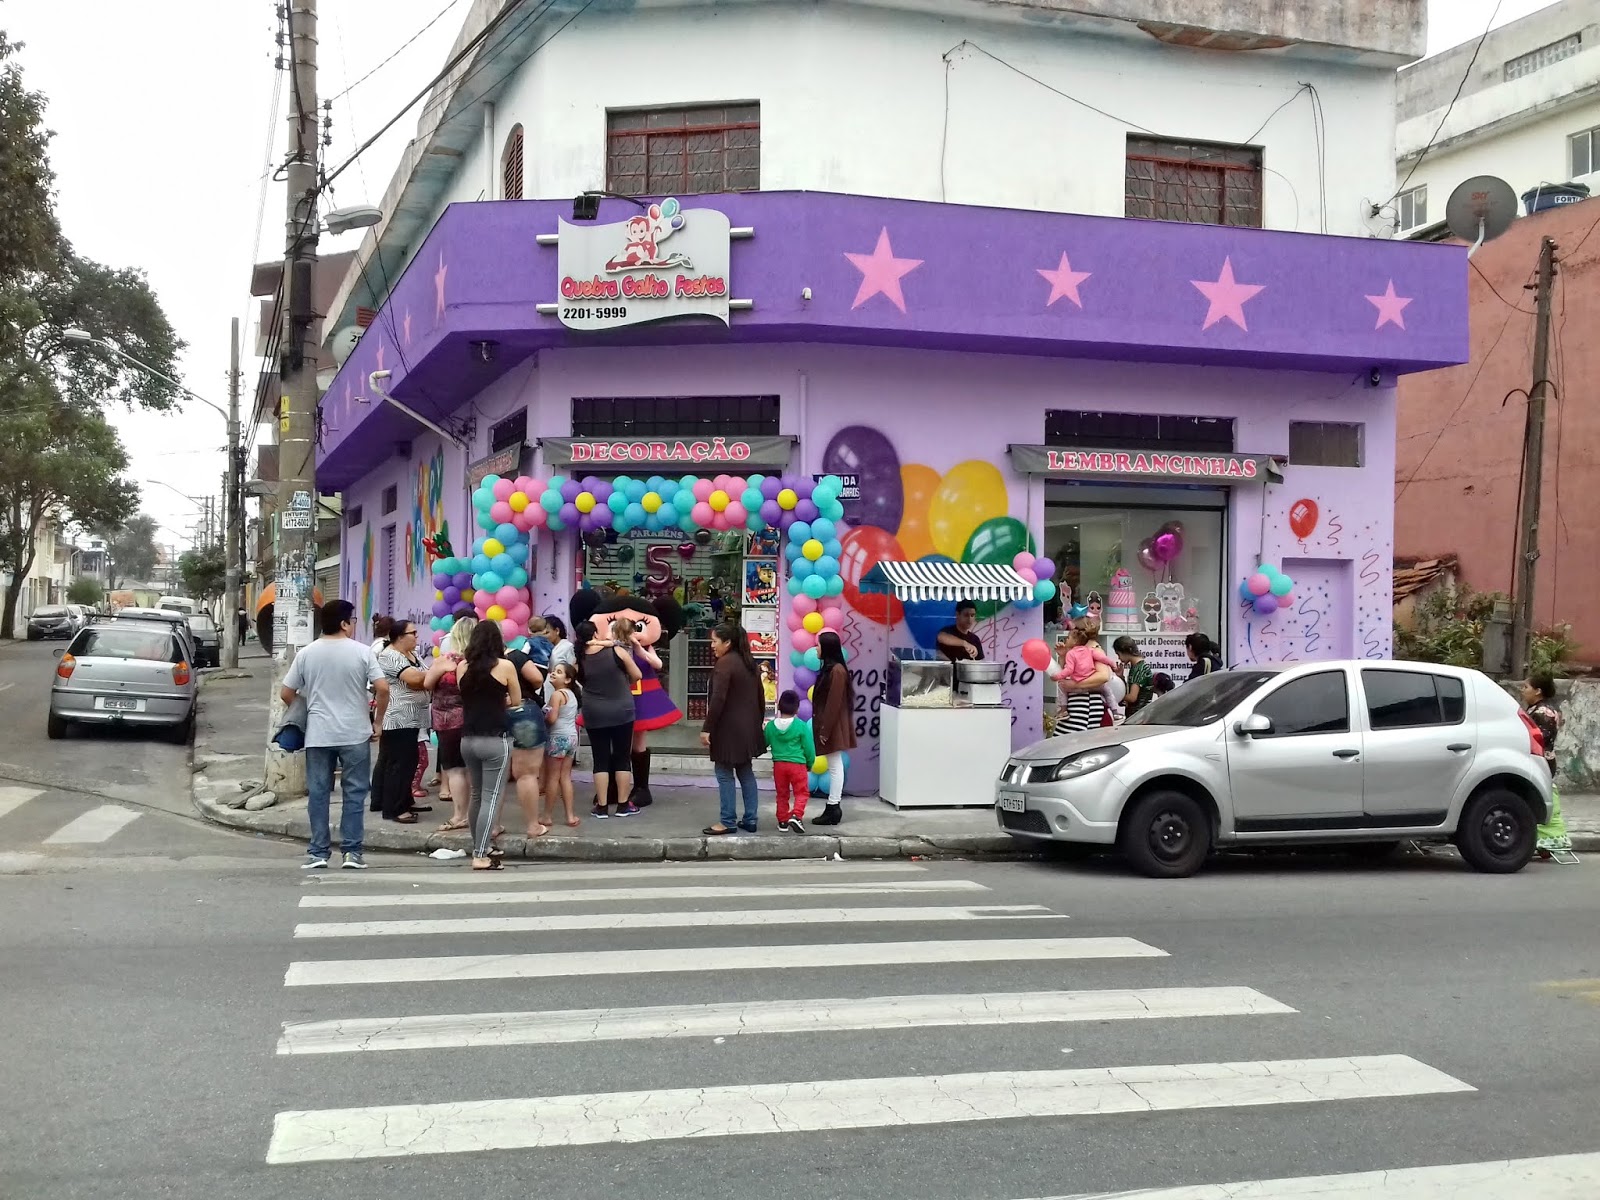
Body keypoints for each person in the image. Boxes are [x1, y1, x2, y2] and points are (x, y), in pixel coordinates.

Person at [280, 599, 386, 870]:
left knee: (318, 794)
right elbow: (383, 688)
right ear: (343, 623)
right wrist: (378, 721)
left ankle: (318, 853)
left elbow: (286, 692)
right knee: (354, 793)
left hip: (318, 734)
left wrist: (307, 704)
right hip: (355, 733)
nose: (353, 625)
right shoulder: (362, 652)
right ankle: (351, 853)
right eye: (352, 621)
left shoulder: (307, 653)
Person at [457, 620, 522, 871]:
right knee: (491, 797)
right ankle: (481, 853)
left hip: (468, 738)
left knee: (476, 795)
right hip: (495, 737)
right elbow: (516, 699)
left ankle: (479, 845)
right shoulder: (505, 666)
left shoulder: (462, 667)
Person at [700, 621, 765, 835]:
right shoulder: (749, 663)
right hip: (747, 729)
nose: (712, 646)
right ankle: (751, 818)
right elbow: (761, 699)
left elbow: (718, 699)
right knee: (746, 772)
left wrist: (707, 728)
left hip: (728, 729)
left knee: (724, 773)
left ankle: (727, 820)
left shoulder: (725, 664)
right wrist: (756, 725)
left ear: (727, 642)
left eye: (714, 641)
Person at [575, 618, 643, 818]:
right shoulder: (617, 651)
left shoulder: (578, 657)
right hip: (622, 710)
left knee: (600, 758)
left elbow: (578, 679)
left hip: (594, 712)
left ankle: (602, 806)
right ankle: (623, 805)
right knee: (622, 757)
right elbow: (637, 675)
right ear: (595, 634)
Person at [371, 620, 432, 824]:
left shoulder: (413, 655)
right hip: (398, 717)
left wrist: (427, 677)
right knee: (400, 763)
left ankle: (405, 800)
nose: (416, 636)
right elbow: (415, 679)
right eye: (412, 633)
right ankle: (395, 808)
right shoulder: (390, 656)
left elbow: (424, 676)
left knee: (409, 760)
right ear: (399, 637)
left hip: (413, 718)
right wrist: (431, 675)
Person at [423, 616, 476, 832]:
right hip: (473, 719)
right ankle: (475, 813)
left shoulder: (445, 661)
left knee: (454, 770)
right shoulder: (478, 662)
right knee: (472, 770)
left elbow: (427, 683)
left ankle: (459, 814)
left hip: (446, 721)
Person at [1523, 671, 1572, 858]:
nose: (1522, 691)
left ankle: (1545, 842)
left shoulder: (1544, 712)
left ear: (1538, 691)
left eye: (1526, 687)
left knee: (1537, 798)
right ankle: (1541, 843)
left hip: (1541, 761)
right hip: (1541, 760)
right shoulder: (1537, 709)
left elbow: (1540, 739)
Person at [811, 631, 857, 825]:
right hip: (830, 723)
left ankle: (833, 806)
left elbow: (834, 702)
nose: (816, 649)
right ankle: (832, 806)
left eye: (819, 645)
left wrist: (825, 729)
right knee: (834, 764)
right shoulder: (831, 669)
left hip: (832, 724)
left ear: (827, 648)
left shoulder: (836, 671)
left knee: (835, 766)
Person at [505, 638, 548, 838]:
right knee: (527, 774)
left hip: (490, 715)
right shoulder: (515, 656)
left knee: (494, 777)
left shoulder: (474, 662)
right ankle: (533, 825)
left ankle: (493, 825)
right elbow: (537, 678)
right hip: (523, 709)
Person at [765, 689, 816, 834]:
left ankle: (782, 821)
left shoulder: (770, 726)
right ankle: (796, 815)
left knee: (782, 794)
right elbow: (809, 747)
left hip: (779, 765)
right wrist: (810, 763)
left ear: (779, 706)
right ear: (797, 708)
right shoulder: (800, 726)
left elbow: (764, 742)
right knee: (802, 792)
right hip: (797, 764)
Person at [540, 661, 582, 828]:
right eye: (554, 670)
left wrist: (543, 714)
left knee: (553, 777)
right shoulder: (571, 695)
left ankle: (547, 816)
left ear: (567, 679)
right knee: (565, 777)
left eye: (559, 671)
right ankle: (570, 815)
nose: (553, 673)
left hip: (557, 738)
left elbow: (552, 718)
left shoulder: (557, 695)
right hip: (572, 738)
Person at [1054, 618, 1111, 733]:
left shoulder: (1093, 649)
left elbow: (1103, 676)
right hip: (1076, 704)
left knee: (1072, 741)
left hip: (1086, 705)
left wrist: (1074, 684)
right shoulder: (1079, 650)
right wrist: (1062, 657)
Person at [1114, 635, 1154, 718]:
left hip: (1139, 717)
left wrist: (1114, 695)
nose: (1119, 658)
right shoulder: (1136, 667)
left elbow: (1132, 697)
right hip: (1137, 716)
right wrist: (1121, 677)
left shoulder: (1139, 669)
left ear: (1126, 651)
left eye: (1119, 654)